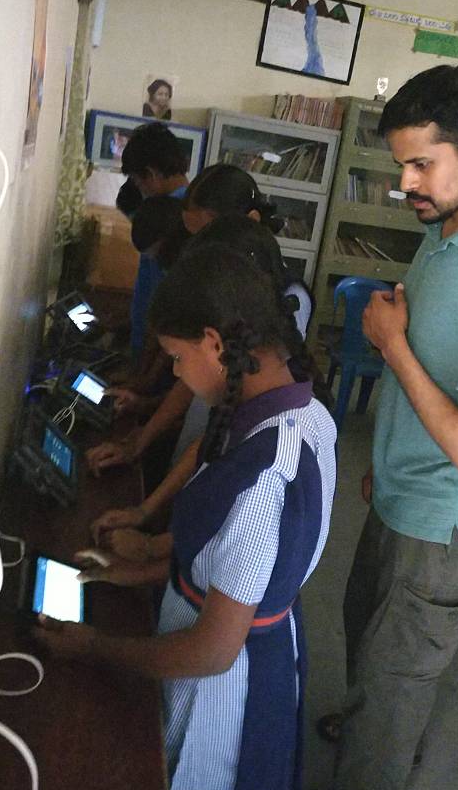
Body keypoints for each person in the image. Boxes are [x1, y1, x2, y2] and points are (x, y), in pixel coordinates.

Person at [35, 246, 337, 790]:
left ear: (215, 343)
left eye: (176, 356)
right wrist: (140, 572)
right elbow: (237, 567)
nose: (173, 371)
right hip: (250, 641)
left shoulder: (262, 479)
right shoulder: (308, 417)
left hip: (224, 690)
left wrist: (94, 647)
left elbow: (212, 651)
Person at [319, 64, 458, 790]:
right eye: (401, 164)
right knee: (370, 648)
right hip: (402, 495)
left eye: (421, 163)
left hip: (442, 533)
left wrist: (391, 345)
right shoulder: (450, 229)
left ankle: (367, 786)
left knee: (395, 705)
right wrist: (390, 457)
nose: (406, 183)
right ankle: (371, 728)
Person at [90, 214, 326, 562]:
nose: (176, 371)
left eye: (177, 357)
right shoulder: (257, 403)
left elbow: (231, 592)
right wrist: (146, 524)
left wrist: (150, 546)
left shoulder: (265, 465)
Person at [85, 166, 289, 475]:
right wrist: (147, 411)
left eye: (205, 237)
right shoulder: (222, 292)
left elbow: (219, 424)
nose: (195, 250)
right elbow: (193, 380)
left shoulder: (266, 305)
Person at [121, 122, 189, 358]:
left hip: (158, 356)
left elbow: (169, 311)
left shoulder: (175, 222)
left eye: (139, 183)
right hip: (149, 349)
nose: (140, 191)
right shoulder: (171, 209)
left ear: (150, 175)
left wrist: (142, 376)